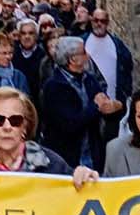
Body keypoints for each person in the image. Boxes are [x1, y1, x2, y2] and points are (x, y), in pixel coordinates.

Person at [0, 88, 96, 184]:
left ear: (25, 126)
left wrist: (84, 176)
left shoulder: (53, 165)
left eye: (15, 120)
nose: (7, 127)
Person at [39, 36, 113, 170]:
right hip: (67, 158)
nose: (88, 55)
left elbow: (104, 101)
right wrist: (95, 106)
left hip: (92, 153)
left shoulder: (89, 79)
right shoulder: (54, 87)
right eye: (83, 52)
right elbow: (69, 124)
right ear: (72, 59)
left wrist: (114, 107)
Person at [82, 8, 132, 138]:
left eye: (103, 21)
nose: (99, 24)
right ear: (91, 21)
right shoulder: (82, 43)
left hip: (114, 104)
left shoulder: (117, 44)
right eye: (96, 20)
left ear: (107, 22)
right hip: (90, 106)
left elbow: (127, 70)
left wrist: (124, 97)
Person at [11, 18, 51, 102]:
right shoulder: (11, 54)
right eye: (23, 33)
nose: (27, 37)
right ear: (19, 36)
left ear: (36, 35)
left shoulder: (44, 56)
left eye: (31, 33)